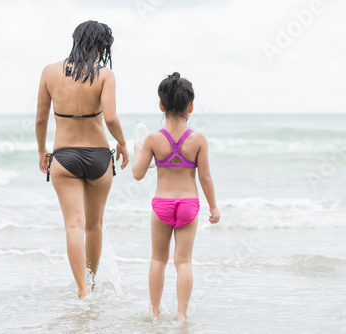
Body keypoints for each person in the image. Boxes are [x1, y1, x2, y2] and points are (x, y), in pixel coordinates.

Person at [35, 20, 129, 300]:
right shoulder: (104, 75)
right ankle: (93, 281)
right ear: (101, 45)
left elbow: (40, 118)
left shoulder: (50, 72)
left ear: (75, 40)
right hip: (99, 157)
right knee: (94, 225)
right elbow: (110, 118)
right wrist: (122, 143)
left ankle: (82, 291)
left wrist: (42, 150)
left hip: (64, 157)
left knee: (73, 225)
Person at [132, 72, 220, 321]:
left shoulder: (153, 139)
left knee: (158, 259)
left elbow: (138, 174)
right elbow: (205, 178)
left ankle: (155, 312)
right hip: (188, 206)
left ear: (161, 105)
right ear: (190, 107)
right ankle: (181, 315)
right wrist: (214, 207)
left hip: (162, 205)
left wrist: (139, 151)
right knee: (183, 262)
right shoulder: (198, 139)